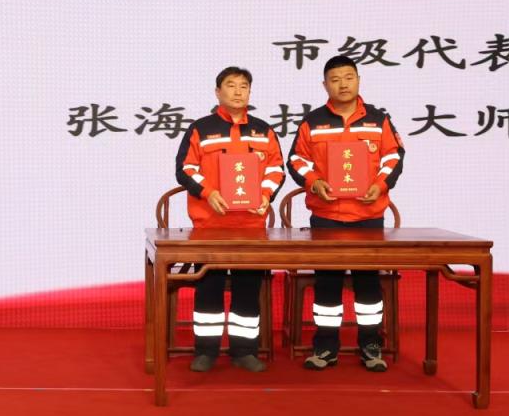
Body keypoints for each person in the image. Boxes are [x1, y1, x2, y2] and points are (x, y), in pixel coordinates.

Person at [286, 54, 406, 372]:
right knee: (328, 282)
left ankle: (371, 346)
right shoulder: (312, 121)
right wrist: (314, 182)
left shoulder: (378, 120)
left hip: (368, 216)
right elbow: (297, 160)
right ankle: (325, 347)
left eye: (349, 77)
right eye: (335, 79)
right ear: (325, 85)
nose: (343, 84)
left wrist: (380, 185)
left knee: (368, 283)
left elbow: (393, 156)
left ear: (358, 81)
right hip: (326, 216)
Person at [173, 66, 286, 373]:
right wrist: (207, 192)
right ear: (217, 92)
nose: (238, 91)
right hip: (210, 226)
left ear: (250, 92)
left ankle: (244, 351)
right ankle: (206, 351)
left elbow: (276, 169)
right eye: (231, 85)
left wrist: (266, 194)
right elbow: (185, 168)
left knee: (247, 289)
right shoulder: (200, 129)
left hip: (251, 227)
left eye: (243, 86)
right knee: (208, 288)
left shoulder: (263, 130)